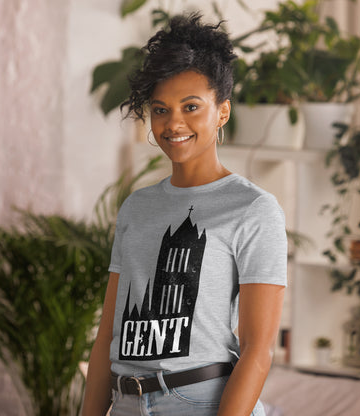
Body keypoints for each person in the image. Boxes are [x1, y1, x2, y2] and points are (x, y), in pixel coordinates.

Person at [81, 13, 287, 416]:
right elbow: (109, 333)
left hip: (201, 401)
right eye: (160, 110)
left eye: (191, 107)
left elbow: (258, 349)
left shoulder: (253, 208)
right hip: (126, 401)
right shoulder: (137, 207)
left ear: (222, 111)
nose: (173, 123)